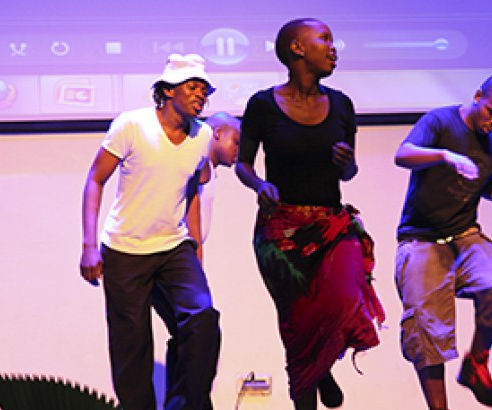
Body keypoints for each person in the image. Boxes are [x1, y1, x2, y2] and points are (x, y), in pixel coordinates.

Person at [234, 18, 385, 410]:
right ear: (297, 49)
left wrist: (349, 163)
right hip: (280, 232)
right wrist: (258, 185)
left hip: (330, 224)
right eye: (325, 39)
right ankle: (314, 379)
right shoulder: (263, 105)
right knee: (297, 326)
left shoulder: (341, 104)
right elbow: (242, 164)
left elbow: (348, 172)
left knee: (344, 298)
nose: (334, 47)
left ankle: (324, 364)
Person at [79, 53, 222, 410]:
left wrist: (196, 247)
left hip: (173, 248)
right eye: (193, 87)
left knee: (202, 318)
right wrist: (89, 246)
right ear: (168, 90)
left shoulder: (202, 136)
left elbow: (192, 191)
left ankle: (186, 404)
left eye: (205, 90)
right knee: (132, 347)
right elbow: (95, 180)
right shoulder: (131, 126)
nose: (200, 95)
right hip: (125, 251)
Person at [394, 73, 492, 410]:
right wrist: (444, 156)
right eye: (491, 112)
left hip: (465, 235)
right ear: (478, 95)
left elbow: (487, 185)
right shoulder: (440, 120)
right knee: (426, 325)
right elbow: (402, 154)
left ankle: (476, 364)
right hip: (421, 238)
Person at [151, 111, 241, 409]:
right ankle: (191, 405)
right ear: (215, 133)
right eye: (236, 141)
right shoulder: (195, 159)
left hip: (182, 264)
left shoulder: (210, 172)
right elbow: (190, 227)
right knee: (202, 326)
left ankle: (187, 403)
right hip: (166, 260)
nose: (239, 150)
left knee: (189, 333)